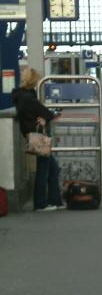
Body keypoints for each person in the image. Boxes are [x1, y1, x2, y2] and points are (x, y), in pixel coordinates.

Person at [12, 68, 64, 211]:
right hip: (37, 137)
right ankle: (40, 204)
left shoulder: (21, 96)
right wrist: (47, 117)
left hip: (30, 134)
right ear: (33, 82)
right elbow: (45, 112)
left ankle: (55, 200)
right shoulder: (28, 98)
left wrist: (43, 116)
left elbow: (37, 112)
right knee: (43, 170)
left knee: (52, 168)